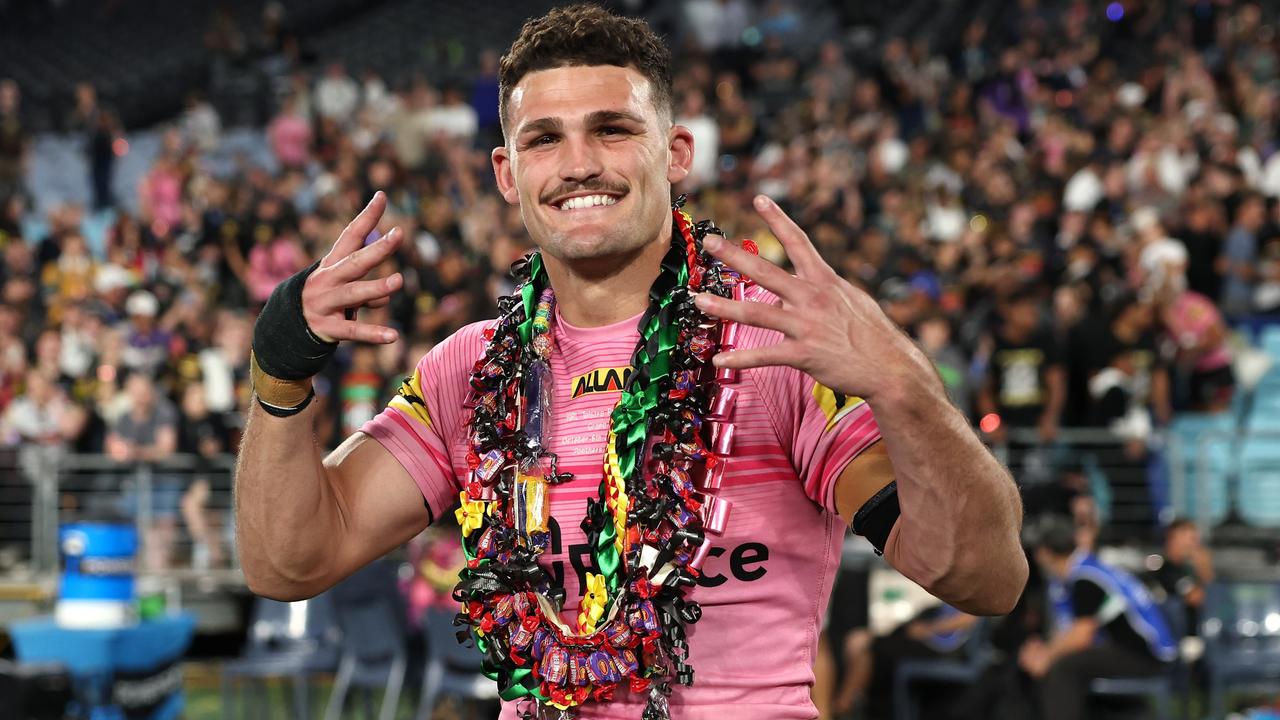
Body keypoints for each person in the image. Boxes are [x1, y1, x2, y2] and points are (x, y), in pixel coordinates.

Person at [235, 6, 1026, 719]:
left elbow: (985, 578)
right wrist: (280, 368)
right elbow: (288, 561)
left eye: (613, 129)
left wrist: (904, 385)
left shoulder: (773, 352)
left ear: (676, 152)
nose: (579, 163)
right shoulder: (468, 371)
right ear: (508, 175)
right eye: (544, 138)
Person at [1018, 516, 1176, 720]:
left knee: (1063, 668)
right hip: (1132, 649)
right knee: (1058, 664)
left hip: (1146, 655)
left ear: (1044, 553)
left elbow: (1082, 635)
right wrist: (1042, 650)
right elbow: (1071, 632)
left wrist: (1046, 656)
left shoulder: (1086, 578)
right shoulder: (1082, 569)